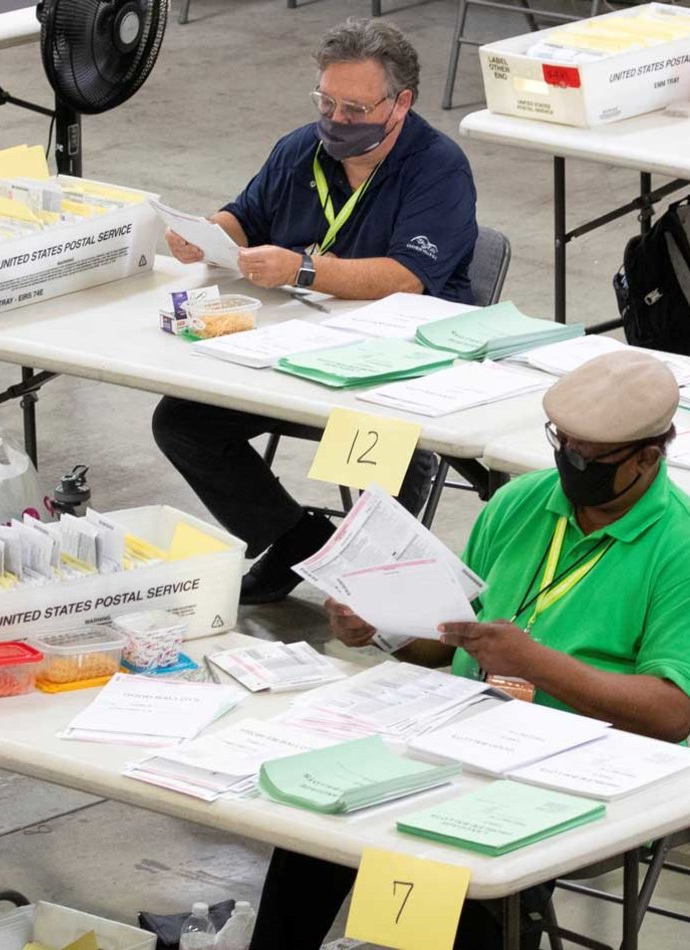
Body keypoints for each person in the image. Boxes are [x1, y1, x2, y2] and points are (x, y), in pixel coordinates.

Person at [249, 351, 690, 949]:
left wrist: (533, 662)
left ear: (649, 455)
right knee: (315, 818)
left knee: (457, 865)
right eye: (563, 443)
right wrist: (385, 625)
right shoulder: (522, 503)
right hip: (459, 732)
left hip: (591, 762)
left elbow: (671, 714)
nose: (570, 462)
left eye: (589, 455)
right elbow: (451, 638)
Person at [153, 17, 480, 605]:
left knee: (374, 441)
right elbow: (243, 218)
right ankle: (299, 542)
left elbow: (408, 279)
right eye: (326, 102)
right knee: (183, 421)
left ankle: (379, 585)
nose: (337, 120)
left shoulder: (438, 168)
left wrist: (302, 269)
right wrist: (205, 234)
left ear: (399, 104)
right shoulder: (302, 148)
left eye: (354, 109)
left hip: (396, 363)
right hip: (291, 346)